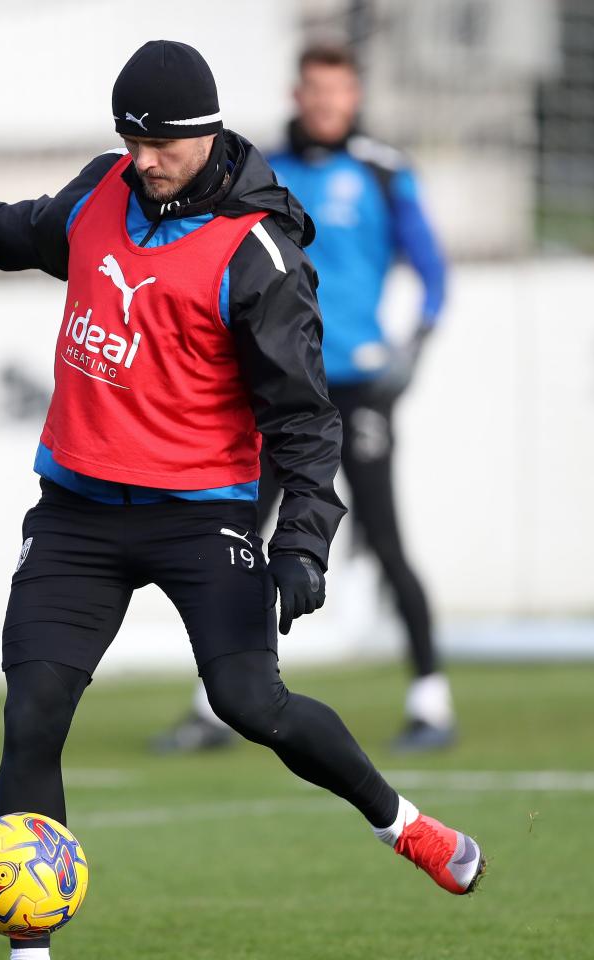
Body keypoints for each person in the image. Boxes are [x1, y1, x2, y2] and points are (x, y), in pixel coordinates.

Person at [0, 39, 484, 959]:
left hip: (201, 515)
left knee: (250, 703)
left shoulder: (257, 254)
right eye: (131, 141)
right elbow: (13, 233)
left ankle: (405, 825)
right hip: (76, 514)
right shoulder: (102, 190)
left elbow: (305, 419)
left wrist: (303, 542)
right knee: (32, 714)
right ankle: (30, 951)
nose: (143, 162)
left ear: (208, 133)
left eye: (162, 145)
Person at [153, 43, 456, 756]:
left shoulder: (383, 172)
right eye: (314, 90)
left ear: (354, 97)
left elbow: (435, 274)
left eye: (337, 90)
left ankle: (430, 698)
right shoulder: (260, 170)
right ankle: (215, 704)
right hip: (276, 387)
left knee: (384, 537)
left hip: (355, 384)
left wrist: (412, 351)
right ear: (298, 94)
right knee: (236, 537)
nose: (325, 102)